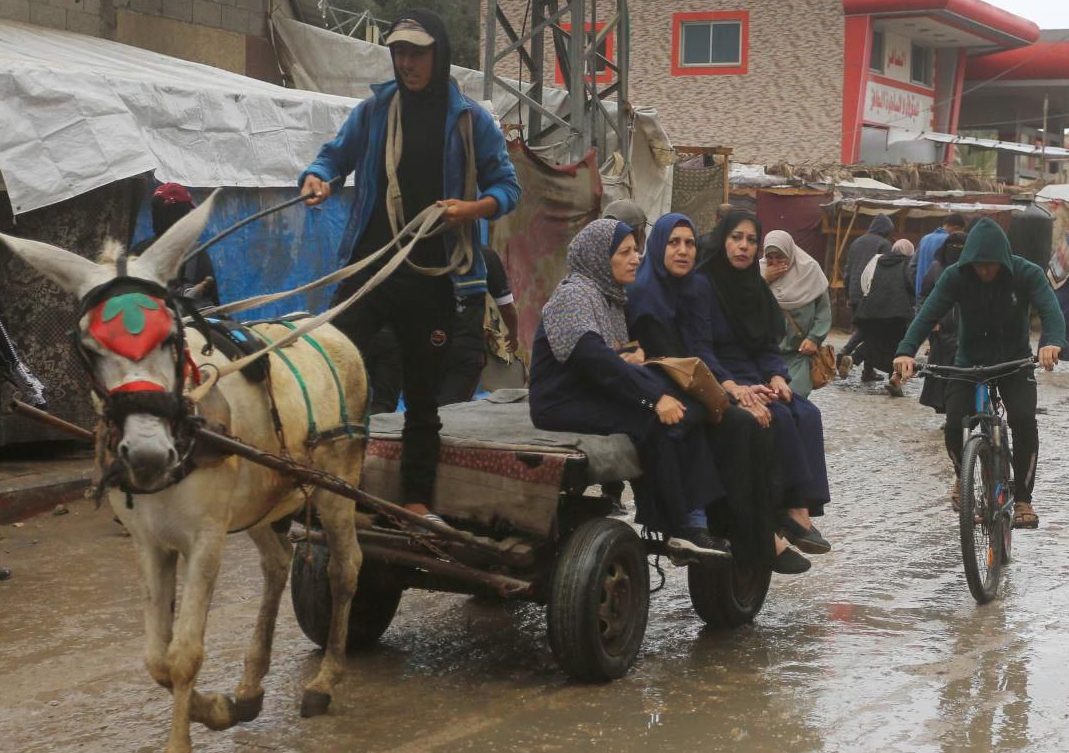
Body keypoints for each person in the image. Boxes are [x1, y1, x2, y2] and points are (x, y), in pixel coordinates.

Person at [300, 9, 521, 518]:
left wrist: (471, 209)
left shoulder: (471, 120)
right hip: (371, 267)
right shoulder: (376, 110)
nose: (406, 62)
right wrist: (318, 177)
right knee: (330, 371)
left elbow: (507, 188)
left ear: (438, 54)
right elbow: (334, 156)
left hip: (433, 277)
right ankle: (325, 483)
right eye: (399, 52)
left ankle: (417, 499)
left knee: (422, 398)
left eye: (416, 52)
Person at [529, 219, 730, 558]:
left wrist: (630, 360)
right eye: (624, 252)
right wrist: (652, 399)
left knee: (687, 409)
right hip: (560, 401)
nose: (635, 258)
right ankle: (676, 526)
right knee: (655, 422)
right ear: (598, 258)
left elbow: (613, 354)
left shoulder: (608, 296)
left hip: (590, 391)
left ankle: (697, 519)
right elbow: (593, 358)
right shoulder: (573, 295)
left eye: (636, 251)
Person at [628, 213, 810, 573]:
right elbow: (661, 359)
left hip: (693, 384)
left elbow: (701, 350)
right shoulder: (645, 292)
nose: (683, 251)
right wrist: (728, 395)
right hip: (657, 390)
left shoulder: (695, 288)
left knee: (757, 418)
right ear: (658, 246)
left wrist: (731, 391)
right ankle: (741, 531)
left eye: (690, 243)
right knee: (738, 423)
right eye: (674, 243)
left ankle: (764, 524)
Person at [894, 218, 1066, 527]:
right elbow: (928, 312)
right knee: (953, 420)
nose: (984, 271)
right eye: (978, 265)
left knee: (1023, 419)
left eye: (990, 266)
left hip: (1014, 361)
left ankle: (1024, 500)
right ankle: (964, 474)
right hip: (969, 360)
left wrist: (1051, 342)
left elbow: (1050, 309)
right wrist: (905, 350)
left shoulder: (1025, 272)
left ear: (1002, 260)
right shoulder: (956, 276)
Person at [696, 210, 832, 555]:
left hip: (755, 373)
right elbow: (700, 348)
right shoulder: (704, 285)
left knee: (806, 412)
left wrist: (776, 376)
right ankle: (782, 511)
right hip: (719, 374)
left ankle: (799, 508)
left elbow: (767, 345)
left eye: (751, 240)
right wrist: (732, 386)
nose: (743, 247)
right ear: (723, 240)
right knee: (779, 417)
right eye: (736, 238)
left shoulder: (755, 287)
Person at [438, 242, 519, 405]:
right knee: (451, 411)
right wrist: (513, 333)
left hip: (427, 346)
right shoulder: (485, 256)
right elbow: (506, 307)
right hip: (465, 348)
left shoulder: (421, 252)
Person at [760, 230, 831, 400]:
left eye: (780, 256)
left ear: (790, 253)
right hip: (766, 353)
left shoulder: (809, 271)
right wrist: (764, 280)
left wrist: (815, 338)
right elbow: (746, 305)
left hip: (799, 352)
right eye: (770, 257)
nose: (775, 262)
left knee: (796, 396)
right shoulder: (758, 272)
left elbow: (823, 309)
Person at [130, 183, 220, 310]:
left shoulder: (137, 251)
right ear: (181, 214)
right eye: (187, 212)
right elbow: (212, 304)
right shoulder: (195, 252)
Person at [854, 238, 915, 397]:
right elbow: (910, 284)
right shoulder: (906, 264)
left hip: (874, 310)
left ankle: (852, 358)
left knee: (875, 342)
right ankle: (895, 380)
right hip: (898, 313)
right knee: (900, 347)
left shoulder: (878, 260)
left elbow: (865, 279)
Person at [839, 214, 894, 380]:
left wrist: (848, 293)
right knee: (872, 332)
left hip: (855, 293)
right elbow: (885, 272)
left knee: (866, 330)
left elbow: (848, 270)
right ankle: (848, 353)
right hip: (872, 294)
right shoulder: (884, 244)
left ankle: (866, 370)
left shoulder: (856, 242)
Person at [917, 232, 966, 415]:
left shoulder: (972, 271)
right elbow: (924, 296)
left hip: (965, 331)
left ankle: (958, 412)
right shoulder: (936, 268)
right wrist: (932, 321)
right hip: (941, 331)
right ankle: (949, 412)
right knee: (942, 375)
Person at [910, 213, 966, 298]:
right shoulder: (950, 242)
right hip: (939, 296)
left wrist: (918, 286)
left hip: (921, 295)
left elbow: (912, 266)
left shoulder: (925, 239)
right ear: (956, 228)